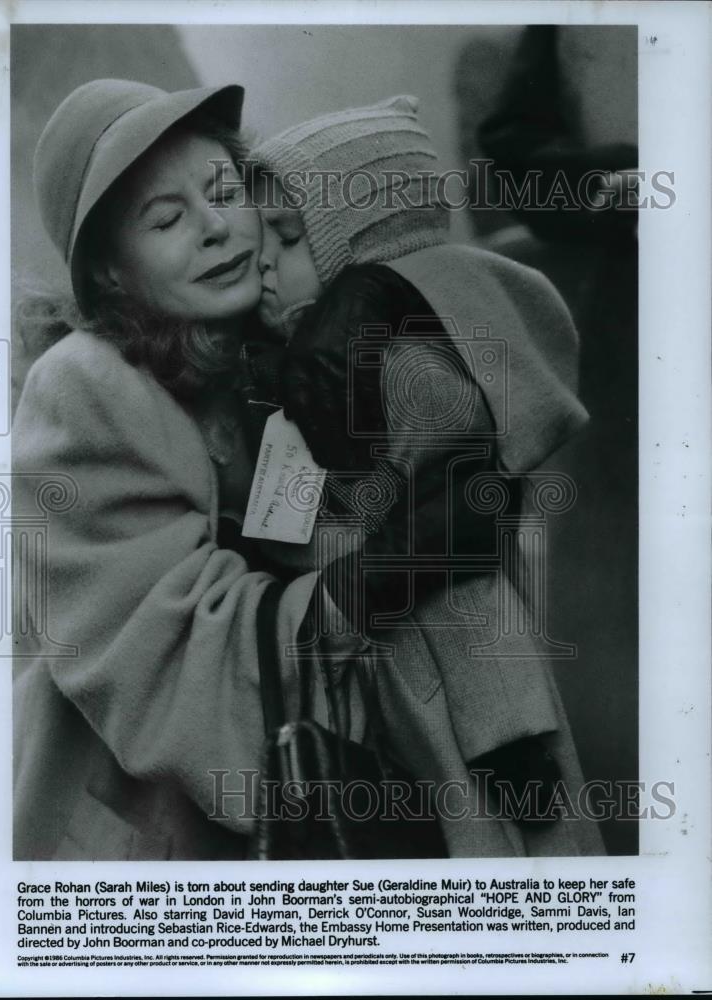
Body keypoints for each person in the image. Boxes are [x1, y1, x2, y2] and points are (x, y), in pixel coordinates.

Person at [13, 79, 444, 860]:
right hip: (148, 837)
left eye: (225, 190)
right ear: (110, 273)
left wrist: (375, 295)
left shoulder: (291, 327)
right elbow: (163, 651)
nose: (216, 228)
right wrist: (381, 576)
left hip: (338, 771)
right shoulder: (83, 388)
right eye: (167, 219)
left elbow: (498, 316)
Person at [247, 95, 605, 855]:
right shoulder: (336, 358)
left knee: (499, 854)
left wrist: (506, 730)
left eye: (285, 240)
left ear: (361, 252)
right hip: (398, 668)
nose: (263, 270)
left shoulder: (406, 369)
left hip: (462, 698)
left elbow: (465, 551)